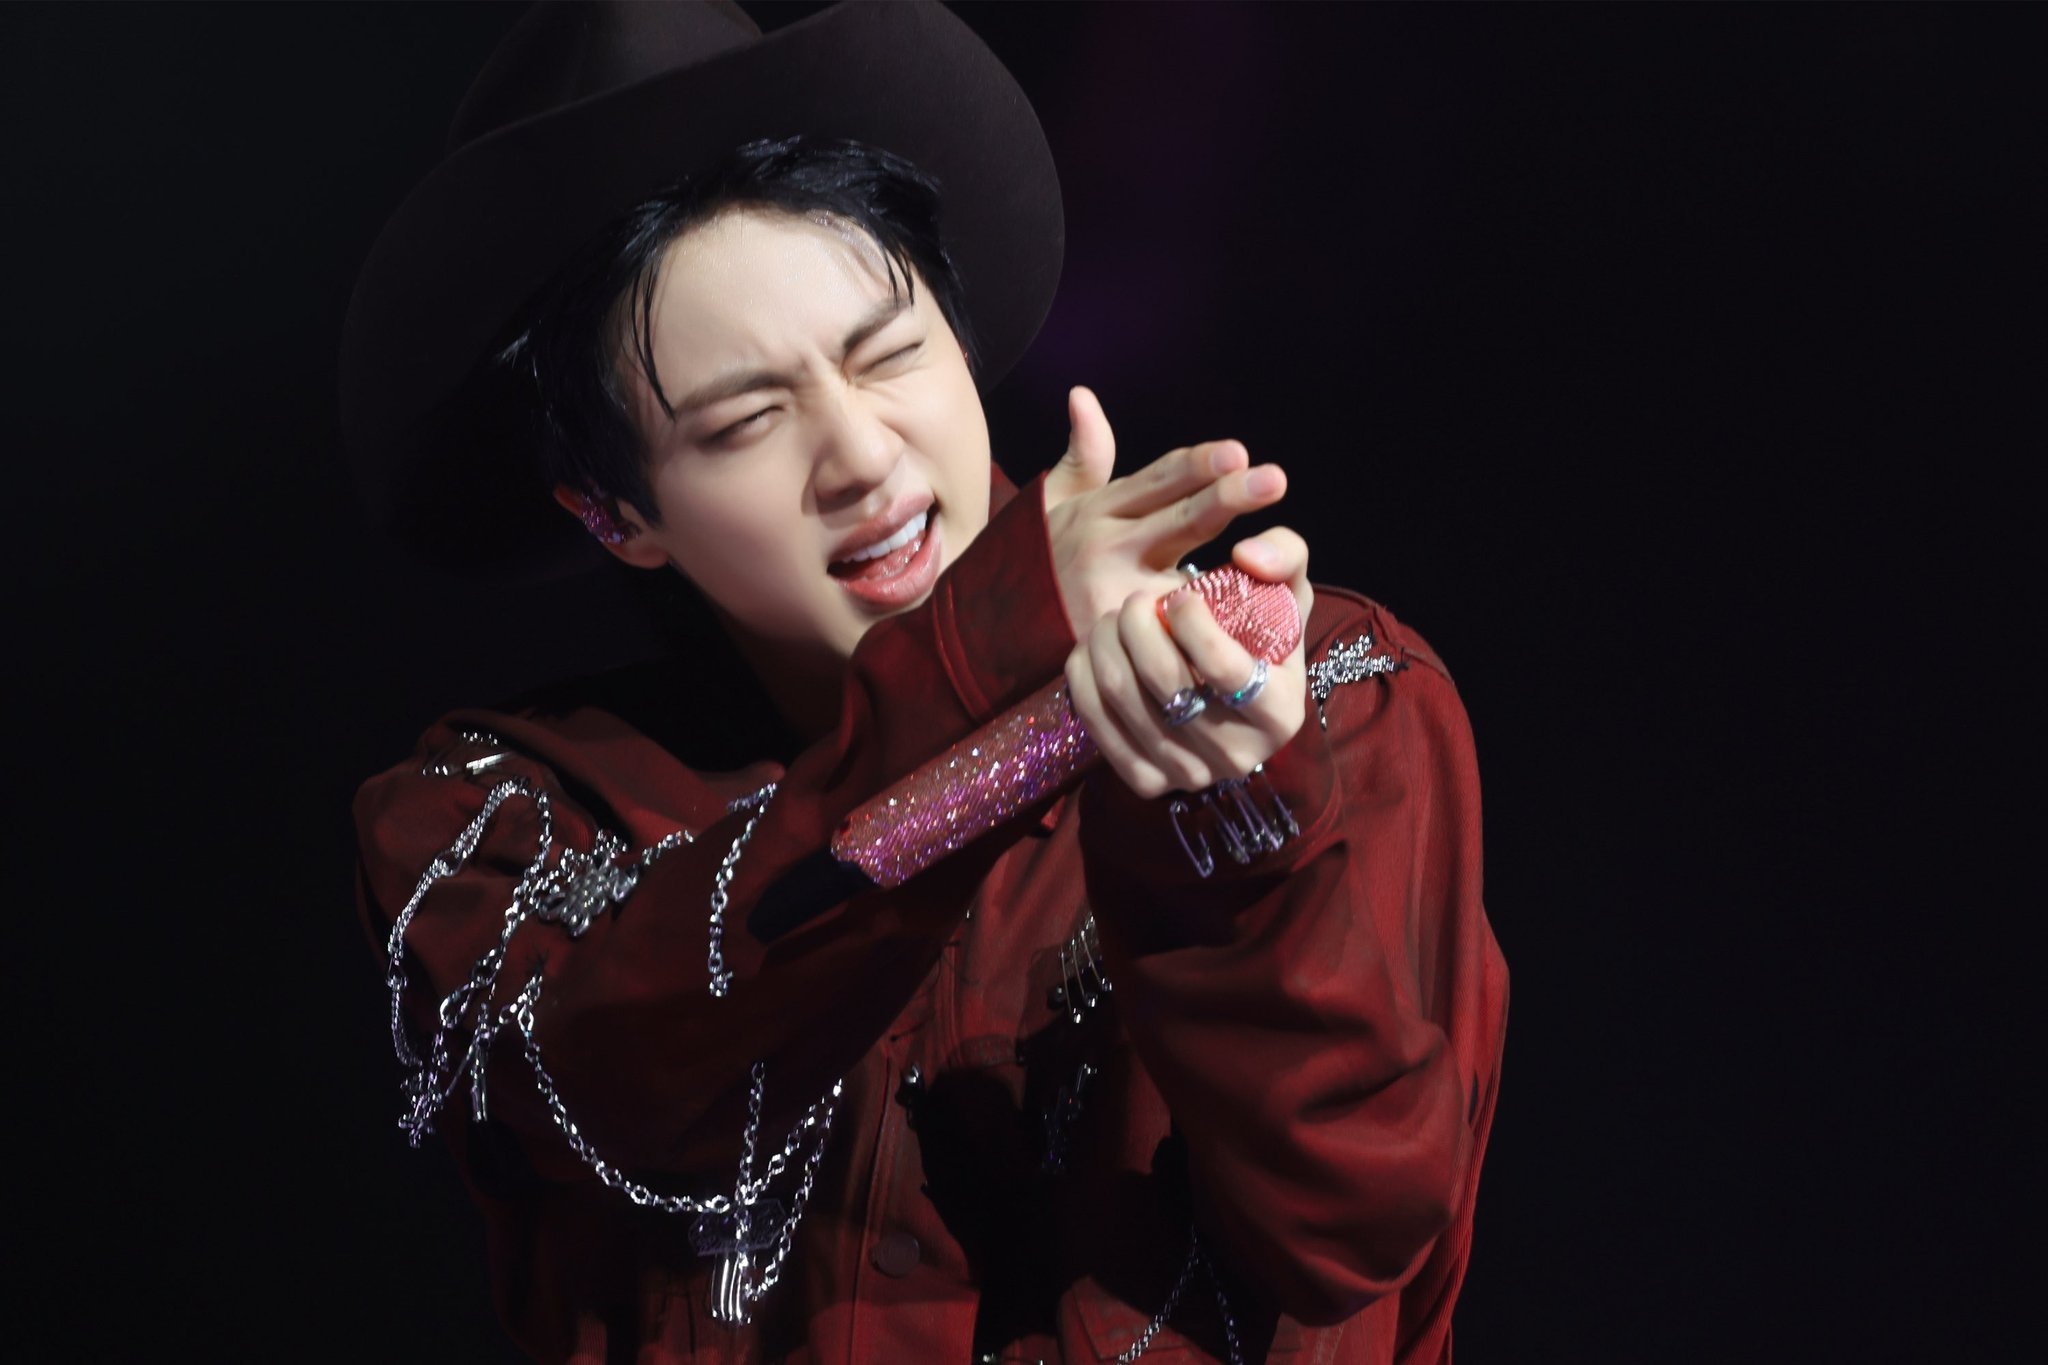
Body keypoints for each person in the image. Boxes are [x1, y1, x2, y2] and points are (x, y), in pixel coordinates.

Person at [344, 4, 1507, 1362]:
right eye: (747, 420)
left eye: (889, 353)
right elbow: (600, 1088)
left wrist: (1233, 844)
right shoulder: (498, 817)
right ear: (616, 514)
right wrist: (987, 660)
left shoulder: (1320, 686)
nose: (862, 458)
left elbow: (1355, 1229)